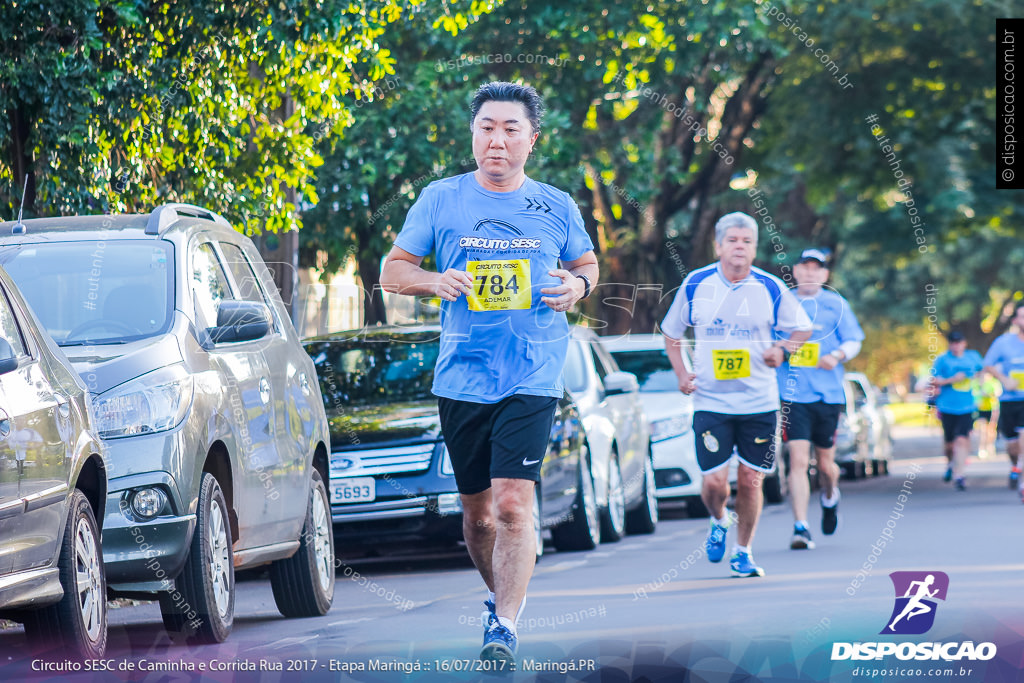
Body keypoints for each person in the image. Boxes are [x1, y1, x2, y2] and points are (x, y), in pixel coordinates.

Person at [379, 81, 598, 663]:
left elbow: (587, 263)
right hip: (463, 378)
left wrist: (577, 286)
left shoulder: (556, 204)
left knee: (510, 505)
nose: (497, 140)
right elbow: (392, 270)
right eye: (487, 128)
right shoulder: (441, 199)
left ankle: (504, 624)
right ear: (473, 134)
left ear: (532, 138)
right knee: (477, 518)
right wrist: (433, 281)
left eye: (510, 129)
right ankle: (502, 592)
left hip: (532, 373)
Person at [662, 212, 812, 578]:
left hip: (759, 402)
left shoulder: (770, 286)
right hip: (711, 401)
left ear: (755, 247)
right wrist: (682, 373)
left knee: (750, 479)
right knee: (714, 482)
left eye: (747, 241)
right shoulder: (697, 283)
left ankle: (743, 551)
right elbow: (671, 334)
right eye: (733, 240)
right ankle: (718, 520)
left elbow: (802, 329)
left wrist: (781, 349)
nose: (740, 247)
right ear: (718, 245)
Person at [776, 248, 864, 550]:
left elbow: (854, 340)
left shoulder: (835, 304)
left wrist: (837, 355)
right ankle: (801, 527)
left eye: (818, 269)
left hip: (827, 394)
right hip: (792, 394)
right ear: (796, 271)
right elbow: (767, 338)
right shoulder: (782, 302)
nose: (811, 273)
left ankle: (830, 497)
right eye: (806, 267)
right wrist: (781, 348)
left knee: (826, 465)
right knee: (798, 460)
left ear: (825, 275)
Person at [930, 330, 983, 490]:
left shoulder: (972, 357)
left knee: (962, 439)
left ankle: (959, 475)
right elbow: (934, 380)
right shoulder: (942, 360)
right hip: (947, 406)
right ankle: (950, 464)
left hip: (967, 406)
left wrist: (979, 382)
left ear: (964, 343)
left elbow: (983, 370)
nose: (956, 345)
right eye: (953, 342)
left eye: (959, 342)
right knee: (950, 444)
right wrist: (953, 379)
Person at [983, 303, 1024, 497]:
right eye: (1022, 317)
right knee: (1012, 444)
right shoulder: (1003, 343)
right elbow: (988, 365)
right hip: (1009, 400)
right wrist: (1005, 380)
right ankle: (1015, 466)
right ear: (1015, 320)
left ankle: (1023, 483)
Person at [974, 371, 1002, 458]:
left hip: (993, 408)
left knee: (991, 429)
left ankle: (990, 445)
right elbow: (974, 394)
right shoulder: (977, 382)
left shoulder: (994, 382)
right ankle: (981, 448)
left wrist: (989, 394)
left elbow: (998, 393)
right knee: (982, 429)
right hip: (981, 408)